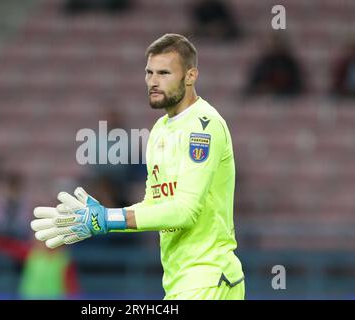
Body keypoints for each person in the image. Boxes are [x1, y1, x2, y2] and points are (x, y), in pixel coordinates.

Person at [31, 34, 244, 300]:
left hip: (208, 277)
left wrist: (108, 220)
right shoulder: (159, 130)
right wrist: (104, 217)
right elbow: (154, 205)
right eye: (149, 73)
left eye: (164, 73)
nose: (153, 81)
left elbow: (185, 211)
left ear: (191, 76)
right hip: (182, 281)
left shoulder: (203, 125)